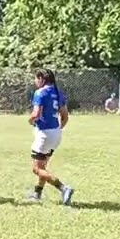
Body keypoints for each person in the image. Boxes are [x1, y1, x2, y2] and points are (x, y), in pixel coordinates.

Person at [28, 69, 75, 205]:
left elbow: (36, 114)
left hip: (44, 133)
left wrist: (30, 121)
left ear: (42, 79)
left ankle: (64, 188)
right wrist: (57, 129)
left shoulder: (40, 93)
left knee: (36, 169)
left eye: (36, 79)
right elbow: (65, 116)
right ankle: (37, 193)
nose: (35, 81)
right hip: (56, 133)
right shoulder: (58, 93)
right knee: (43, 166)